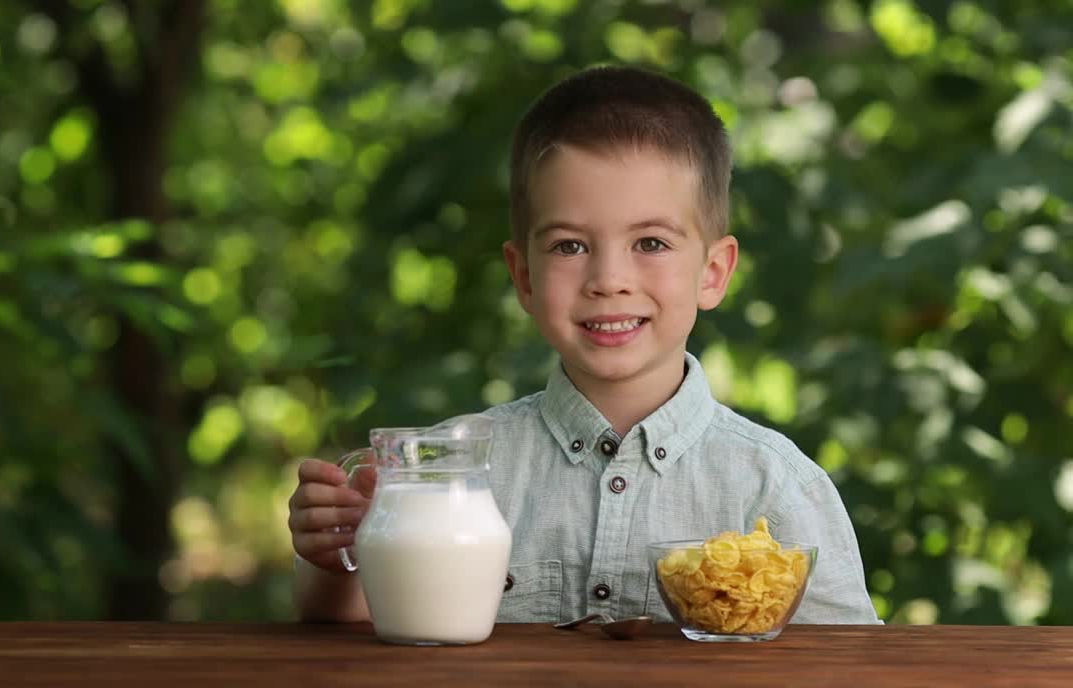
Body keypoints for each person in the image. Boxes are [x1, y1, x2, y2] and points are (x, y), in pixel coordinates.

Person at [288, 65, 879, 625]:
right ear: (523, 277)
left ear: (713, 272)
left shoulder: (774, 487)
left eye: (650, 243)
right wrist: (337, 555)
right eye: (570, 246)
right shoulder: (454, 473)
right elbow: (358, 629)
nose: (608, 279)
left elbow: (852, 666)